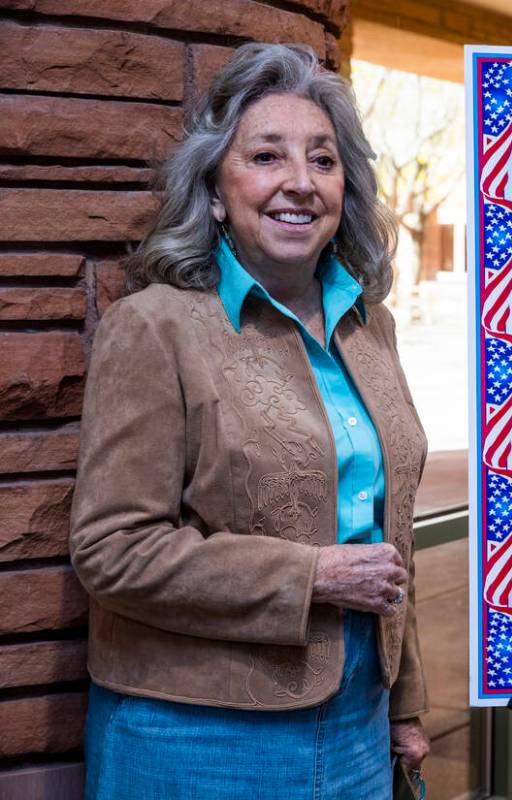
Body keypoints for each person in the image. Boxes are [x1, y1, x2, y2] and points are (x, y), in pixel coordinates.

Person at [70, 43, 429, 798]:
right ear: (213, 191)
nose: (300, 182)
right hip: (195, 732)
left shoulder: (372, 328)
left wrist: (405, 702)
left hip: (361, 723)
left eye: (323, 161)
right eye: (267, 156)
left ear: (346, 190)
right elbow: (111, 550)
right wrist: (310, 574)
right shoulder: (156, 327)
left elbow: (384, 531)